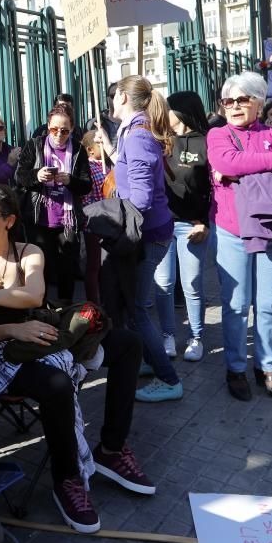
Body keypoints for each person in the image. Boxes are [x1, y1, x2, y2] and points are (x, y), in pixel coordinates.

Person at [0, 185, 153, 534]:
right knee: (55, 384)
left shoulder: (29, 252)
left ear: (9, 220)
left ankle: (112, 448)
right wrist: (12, 329)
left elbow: (35, 294)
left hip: (41, 338)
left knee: (129, 343)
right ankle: (67, 478)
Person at [208, 72, 272, 402]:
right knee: (235, 304)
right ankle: (235, 368)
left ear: (259, 103)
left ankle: (267, 367)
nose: (234, 106)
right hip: (230, 230)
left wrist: (242, 168)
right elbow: (225, 160)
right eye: (228, 101)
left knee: (267, 302)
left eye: (242, 99)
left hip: (269, 229)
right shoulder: (218, 134)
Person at [97, 75, 182, 403]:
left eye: (114, 96)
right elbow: (135, 175)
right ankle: (150, 360)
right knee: (136, 308)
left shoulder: (136, 136)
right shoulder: (133, 133)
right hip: (150, 234)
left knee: (137, 309)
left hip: (147, 236)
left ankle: (168, 378)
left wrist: (115, 206)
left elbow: (143, 198)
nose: (111, 101)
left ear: (121, 97)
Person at [154, 91, 211, 363]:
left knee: (192, 284)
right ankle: (167, 335)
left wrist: (206, 223)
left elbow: (214, 190)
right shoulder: (160, 142)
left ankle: (196, 337)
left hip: (192, 226)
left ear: (183, 112)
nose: (164, 114)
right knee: (163, 284)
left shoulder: (205, 143)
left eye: (169, 109)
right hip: (162, 225)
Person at [15, 103, 91, 304]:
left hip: (67, 220)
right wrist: (36, 175)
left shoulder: (79, 149)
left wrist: (70, 180)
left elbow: (86, 185)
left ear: (72, 129)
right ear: (48, 126)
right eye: (54, 129)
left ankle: (65, 308)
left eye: (65, 130)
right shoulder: (34, 145)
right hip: (39, 218)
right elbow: (19, 176)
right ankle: (42, 307)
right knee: (41, 267)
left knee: (67, 267)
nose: (59, 134)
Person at [81, 130, 108, 304]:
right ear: (91, 150)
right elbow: (93, 195)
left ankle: (105, 298)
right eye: (100, 144)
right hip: (94, 222)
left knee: (103, 265)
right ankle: (93, 302)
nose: (104, 147)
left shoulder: (104, 165)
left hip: (106, 220)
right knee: (94, 264)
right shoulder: (90, 168)